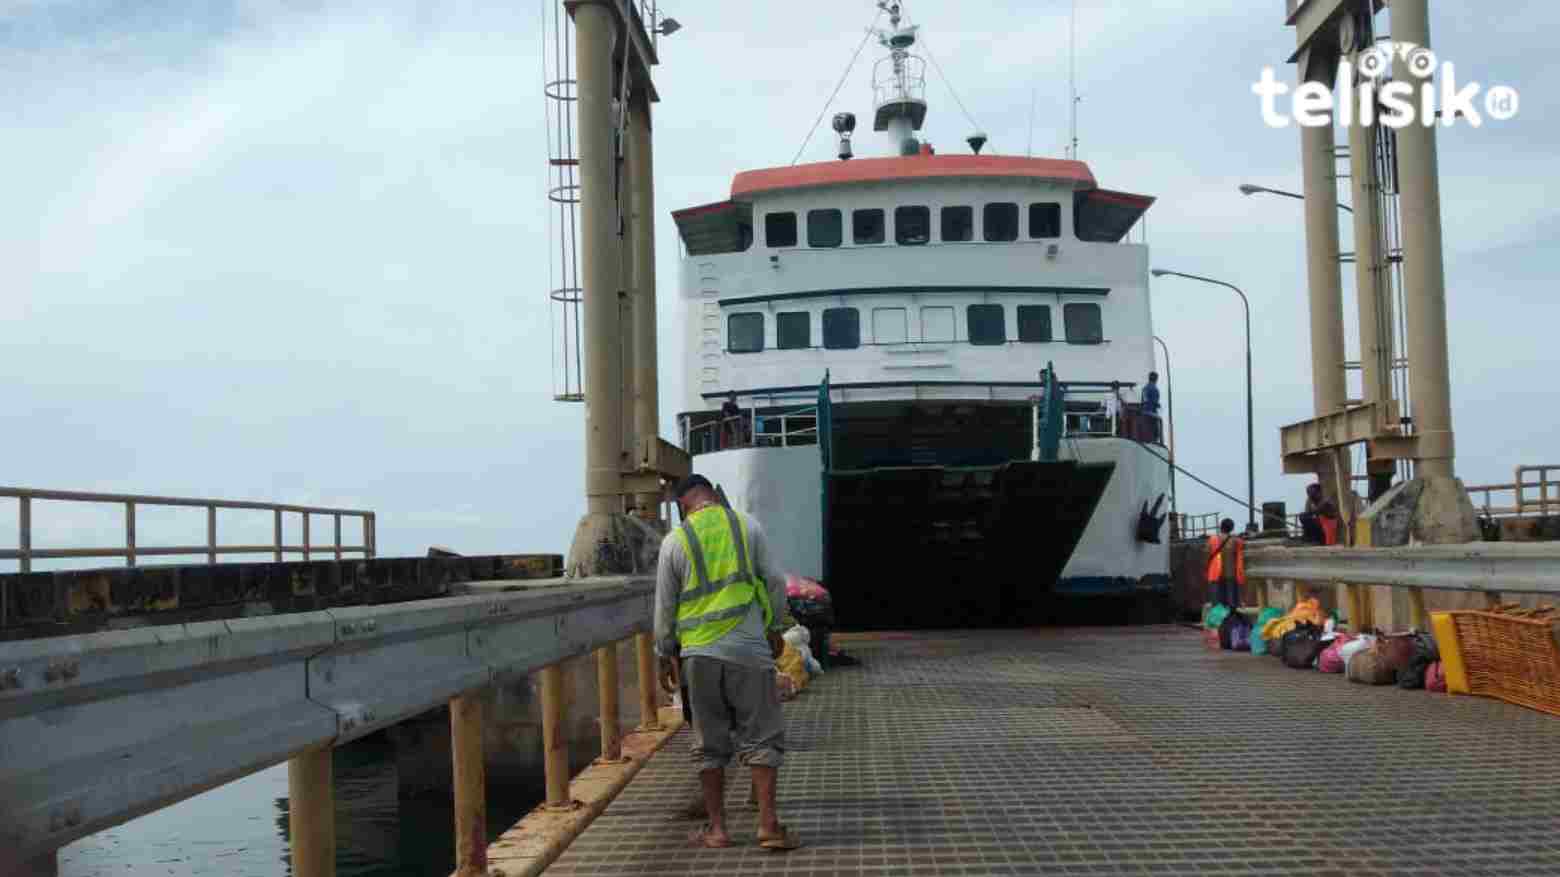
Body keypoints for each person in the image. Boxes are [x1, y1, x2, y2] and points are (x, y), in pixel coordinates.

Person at [655, 474, 801, 852]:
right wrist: (772, 627)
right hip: (749, 647)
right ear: (712, 495)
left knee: (709, 743)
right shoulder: (746, 526)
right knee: (762, 735)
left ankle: (718, 830)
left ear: (683, 504)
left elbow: (665, 606)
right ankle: (768, 826)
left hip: (698, 655)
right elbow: (773, 582)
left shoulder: (675, 540)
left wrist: (664, 652)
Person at [1205, 518, 1245, 609]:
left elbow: (1206, 554)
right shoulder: (1236, 541)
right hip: (1230, 574)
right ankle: (1231, 619)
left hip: (1215, 574)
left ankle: (1218, 620)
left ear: (1220, 527)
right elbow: (1242, 548)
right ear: (1231, 529)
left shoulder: (1212, 539)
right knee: (1231, 603)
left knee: (1217, 603)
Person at [1140, 372, 1162, 442]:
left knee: (1145, 431)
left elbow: (1144, 401)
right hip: (1151, 413)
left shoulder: (1144, 388)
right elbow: (1154, 403)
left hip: (1144, 413)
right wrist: (1158, 405)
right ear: (1156, 379)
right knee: (1155, 433)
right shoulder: (1154, 389)